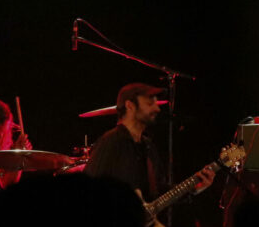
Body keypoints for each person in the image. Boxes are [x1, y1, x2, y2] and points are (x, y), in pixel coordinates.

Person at [86, 83, 214, 202]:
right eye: (149, 103)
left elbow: (158, 192)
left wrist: (195, 188)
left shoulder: (148, 146)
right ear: (130, 106)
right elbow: (88, 191)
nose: (157, 109)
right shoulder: (111, 142)